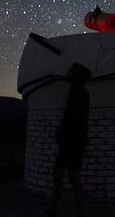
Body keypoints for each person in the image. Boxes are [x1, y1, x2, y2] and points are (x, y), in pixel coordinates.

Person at [47, 63, 92, 217]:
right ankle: (58, 210)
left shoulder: (79, 93)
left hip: (72, 142)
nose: (67, 73)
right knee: (66, 176)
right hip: (72, 142)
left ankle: (73, 211)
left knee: (69, 177)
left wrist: (64, 134)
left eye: (70, 72)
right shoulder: (78, 91)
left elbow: (75, 119)